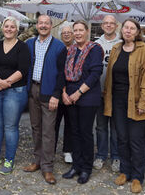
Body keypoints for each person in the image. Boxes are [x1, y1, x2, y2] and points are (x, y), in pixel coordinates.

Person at [104, 18, 145, 193]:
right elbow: (110, 76)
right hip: (117, 100)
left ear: (137, 32)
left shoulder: (144, 49)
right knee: (122, 138)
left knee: (136, 141)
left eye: (132, 28)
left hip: (136, 100)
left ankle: (137, 177)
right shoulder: (116, 48)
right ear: (122, 29)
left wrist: (144, 102)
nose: (128, 31)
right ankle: (125, 171)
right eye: (126, 27)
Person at [23, 14, 66, 185]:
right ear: (37, 25)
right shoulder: (29, 44)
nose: (43, 26)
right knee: (35, 128)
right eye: (40, 23)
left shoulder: (59, 46)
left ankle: (47, 168)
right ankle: (37, 161)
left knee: (48, 131)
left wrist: (56, 95)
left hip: (49, 92)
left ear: (51, 26)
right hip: (33, 89)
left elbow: (62, 73)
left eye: (46, 23)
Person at [0, 17, 30, 175]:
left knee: (10, 127)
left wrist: (6, 83)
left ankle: (9, 159)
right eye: (6, 26)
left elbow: (23, 69)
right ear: (2, 28)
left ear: (17, 30)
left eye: (12, 27)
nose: (9, 29)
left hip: (15, 91)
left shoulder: (22, 47)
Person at [61, 20, 103, 184]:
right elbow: (63, 73)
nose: (77, 33)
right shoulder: (70, 50)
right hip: (70, 97)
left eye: (80, 30)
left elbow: (95, 73)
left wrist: (79, 92)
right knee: (74, 132)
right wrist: (64, 93)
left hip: (87, 97)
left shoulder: (94, 49)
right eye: (75, 30)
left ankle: (86, 168)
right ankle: (76, 166)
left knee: (85, 133)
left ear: (87, 31)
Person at [94, 15, 121, 172]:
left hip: (116, 92)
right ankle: (101, 155)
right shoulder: (96, 44)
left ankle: (116, 156)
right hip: (99, 91)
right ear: (102, 25)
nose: (109, 25)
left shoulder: (122, 43)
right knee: (101, 126)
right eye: (106, 23)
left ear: (116, 26)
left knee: (116, 127)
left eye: (112, 23)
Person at [55, 22, 74, 164]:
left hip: (72, 94)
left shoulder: (77, 49)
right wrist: (61, 91)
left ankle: (68, 150)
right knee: (53, 124)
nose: (66, 34)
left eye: (69, 32)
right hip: (57, 92)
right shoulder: (58, 49)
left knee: (70, 124)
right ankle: (51, 150)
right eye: (64, 32)